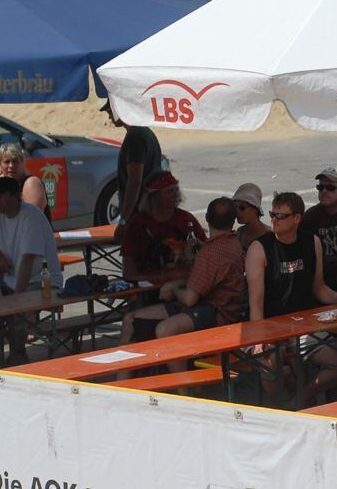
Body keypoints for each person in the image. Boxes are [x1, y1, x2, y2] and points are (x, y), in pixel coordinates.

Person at [118, 198, 245, 372]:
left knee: (164, 329)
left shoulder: (211, 252)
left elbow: (189, 299)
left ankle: (183, 391)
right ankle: (128, 383)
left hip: (216, 312)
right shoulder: (234, 243)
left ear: (207, 218)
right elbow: (208, 277)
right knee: (131, 320)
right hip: (219, 308)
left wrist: (174, 289)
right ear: (233, 220)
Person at [245, 192, 337, 403]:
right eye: (272, 214)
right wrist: (260, 339)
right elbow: (256, 302)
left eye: (280, 216)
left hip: (303, 326)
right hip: (270, 326)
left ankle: (298, 400)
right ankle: (283, 407)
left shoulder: (312, 242)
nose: (273, 219)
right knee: (269, 365)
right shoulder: (259, 248)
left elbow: (319, 288)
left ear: (297, 218)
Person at [0, 176, 63, 364]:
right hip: (11, 280)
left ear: (14, 196)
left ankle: (17, 357)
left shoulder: (30, 216)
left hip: (42, 282)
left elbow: (28, 262)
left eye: (0, 195)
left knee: (15, 315)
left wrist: (13, 302)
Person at [120, 171, 205, 277]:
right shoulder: (138, 224)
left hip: (184, 283)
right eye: (169, 191)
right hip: (148, 287)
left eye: (176, 189)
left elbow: (207, 250)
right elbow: (128, 264)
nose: (175, 194)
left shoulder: (186, 219)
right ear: (154, 197)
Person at [103, 101, 162, 242]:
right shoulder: (145, 132)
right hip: (149, 213)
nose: (109, 116)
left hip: (139, 218)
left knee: (135, 261)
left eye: (110, 111)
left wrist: (123, 221)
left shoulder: (134, 137)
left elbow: (134, 181)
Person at [0, 143, 49, 221]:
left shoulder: (31, 183)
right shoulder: (3, 183)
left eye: (15, 161)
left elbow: (32, 219)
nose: (11, 166)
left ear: (22, 163)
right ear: (0, 166)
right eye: (6, 162)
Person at [232, 183, 269, 250]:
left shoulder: (270, 235)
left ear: (255, 209)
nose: (237, 212)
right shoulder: (240, 232)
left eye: (242, 208)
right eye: (234, 208)